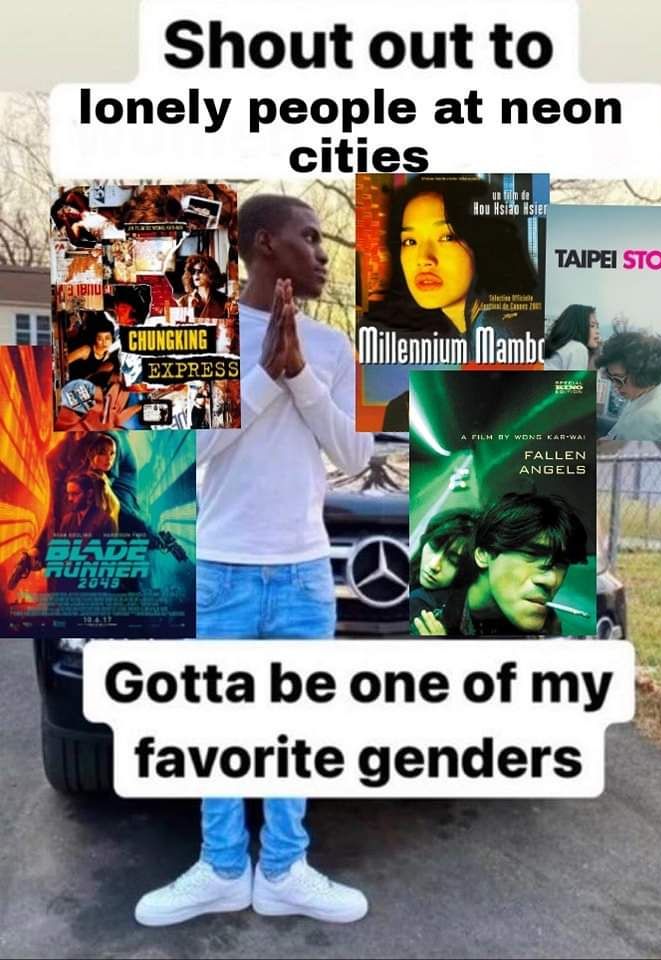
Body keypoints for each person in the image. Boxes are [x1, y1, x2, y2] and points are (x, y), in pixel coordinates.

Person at [135, 193, 373, 928]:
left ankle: (283, 869)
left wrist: (301, 373)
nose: (325, 252)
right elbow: (180, 453)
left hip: (304, 571)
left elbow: (356, 454)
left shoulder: (337, 345)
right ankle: (220, 868)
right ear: (265, 244)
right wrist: (268, 379)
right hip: (222, 569)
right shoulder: (193, 333)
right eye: (310, 238)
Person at [359, 175, 537, 350]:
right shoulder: (459, 335)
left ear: (483, 243)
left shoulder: (501, 331)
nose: (424, 259)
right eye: (410, 241)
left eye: (446, 237)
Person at [411, 492, 588, 638]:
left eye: (561, 564)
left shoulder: (548, 625)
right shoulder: (424, 612)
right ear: (483, 555)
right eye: (532, 554)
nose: (551, 581)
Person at [596, 331, 661, 441]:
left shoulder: (647, 418)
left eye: (618, 379)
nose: (615, 385)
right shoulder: (647, 393)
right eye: (611, 378)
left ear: (643, 375)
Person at [66, 315, 119, 390]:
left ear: (112, 340)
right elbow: (63, 362)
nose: (104, 342)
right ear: (95, 339)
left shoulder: (106, 355)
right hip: (65, 380)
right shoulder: (86, 350)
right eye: (100, 338)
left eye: (107, 338)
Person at [544, 304, 600, 370]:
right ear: (579, 326)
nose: (597, 331)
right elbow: (577, 380)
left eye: (597, 326)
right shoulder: (578, 348)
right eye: (592, 326)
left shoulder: (563, 347)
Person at [178, 254, 229, 319]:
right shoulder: (183, 301)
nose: (196, 274)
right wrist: (190, 309)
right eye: (193, 271)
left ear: (211, 273)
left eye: (200, 271)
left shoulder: (225, 301)